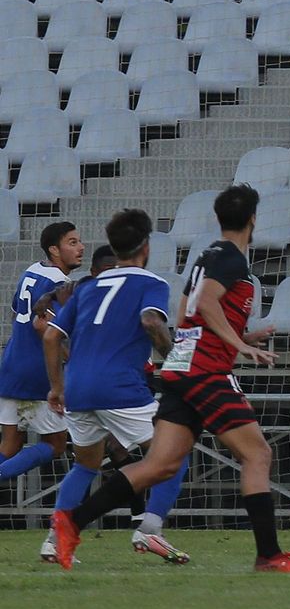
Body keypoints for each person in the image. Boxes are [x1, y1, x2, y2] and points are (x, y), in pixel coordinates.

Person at [52, 184, 290, 573]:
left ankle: (70, 522)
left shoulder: (206, 255)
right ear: (253, 219)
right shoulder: (232, 260)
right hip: (206, 372)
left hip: (181, 367)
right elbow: (207, 303)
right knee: (258, 454)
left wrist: (240, 337)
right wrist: (237, 346)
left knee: (160, 465)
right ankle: (269, 555)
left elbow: (188, 312)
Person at [41, 209, 189, 565]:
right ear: (147, 247)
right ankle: (150, 527)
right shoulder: (151, 283)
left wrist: (56, 387)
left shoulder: (88, 286)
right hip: (119, 387)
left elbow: (50, 335)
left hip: (77, 386)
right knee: (174, 454)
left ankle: (52, 541)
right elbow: (151, 320)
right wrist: (174, 363)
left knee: (86, 465)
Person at [0, 221, 84, 483]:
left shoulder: (32, 270)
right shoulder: (60, 284)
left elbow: (16, 312)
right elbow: (45, 328)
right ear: (54, 250)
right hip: (38, 374)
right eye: (72, 242)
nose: (81, 247)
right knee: (57, 444)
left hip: (11, 366)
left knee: (10, 444)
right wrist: (73, 358)